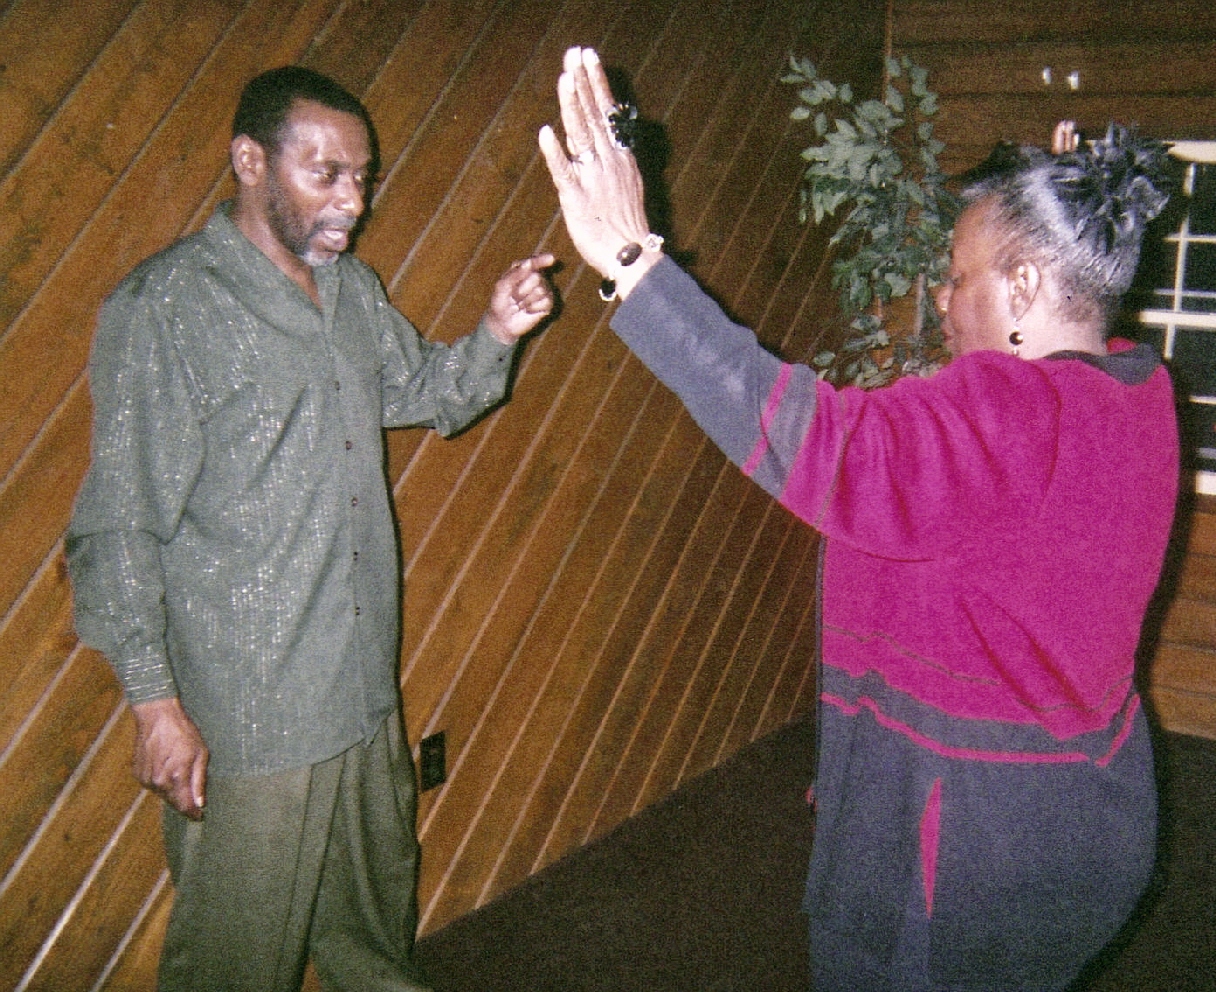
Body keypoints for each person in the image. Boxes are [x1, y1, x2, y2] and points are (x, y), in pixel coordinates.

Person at [540, 47, 1178, 991]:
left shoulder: (1012, 409)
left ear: (1025, 289)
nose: (943, 299)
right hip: (1086, 815)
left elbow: (827, 445)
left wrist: (637, 265)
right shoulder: (1137, 391)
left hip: (969, 855)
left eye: (958, 276)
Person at [66, 65, 554, 992]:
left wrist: (496, 331)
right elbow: (120, 521)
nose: (353, 202)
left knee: (374, 943)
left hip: (363, 693)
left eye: (362, 177)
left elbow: (428, 393)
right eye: (325, 174)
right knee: (235, 963)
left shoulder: (353, 292)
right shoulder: (169, 305)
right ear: (250, 161)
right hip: (252, 718)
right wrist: (154, 704)